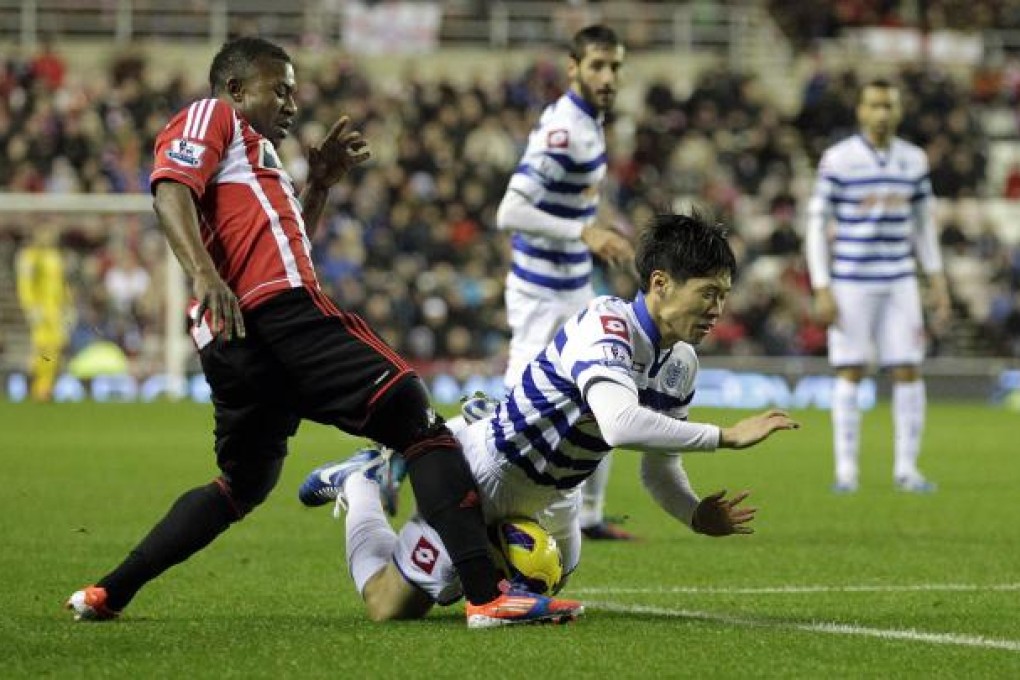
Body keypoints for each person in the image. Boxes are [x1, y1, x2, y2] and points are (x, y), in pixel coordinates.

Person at [65, 36, 581, 628]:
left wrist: (322, 184)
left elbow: (289, 244)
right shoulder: (215, 116)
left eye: (293, 91)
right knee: (419, 420)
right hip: (275, 312)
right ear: (236, 89)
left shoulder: (262, 162)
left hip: (233, 343)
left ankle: (108, 592)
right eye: (278, 88)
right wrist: (204, 276)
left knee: (241, 485)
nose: (289, 102)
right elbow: (169, 189)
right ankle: (488, 596)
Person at [298, 210, 799, 624]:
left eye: (724, 296)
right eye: (708, 293)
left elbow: (659, 468)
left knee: (540, 578)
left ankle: (464, 557)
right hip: (492, 470)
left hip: (558, 496)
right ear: (661, 283)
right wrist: (726, 436)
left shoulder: (681, 364)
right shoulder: (606, 325)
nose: (718, 308)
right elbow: (620, 424)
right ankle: (361, 484)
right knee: (392, 607)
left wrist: (693, 512)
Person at [496, 24, 636, 540]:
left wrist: (597, 229)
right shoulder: (565, 131)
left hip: (574, 287)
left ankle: (591, 516)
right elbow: (509, 211)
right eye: (598, 65)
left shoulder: (590, 122)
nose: (608, 76)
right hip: (539, 292)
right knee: (515, 413)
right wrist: (586, 233)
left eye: (615, 66)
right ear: (573, 67)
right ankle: (418, 461)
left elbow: (575, 200)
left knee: (605, 389)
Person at [805, 78, 951, 494]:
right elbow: (816, 224)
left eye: (889, 105)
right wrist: (822, 285)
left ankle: (907, 470)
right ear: (861, 111)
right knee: (850, 371)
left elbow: (924, 225)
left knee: (908, 368)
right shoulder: (838, 159)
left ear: (899, 111)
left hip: (900, 280)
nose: (882, 113)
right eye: (875, 105)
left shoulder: (914, 160)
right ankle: (846, 472)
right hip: (851, 281)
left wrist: (936, 279)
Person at [15, 223, 70, 402]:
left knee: (54, 350)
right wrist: (30, 307)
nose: (49, 237)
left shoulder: (55, 256)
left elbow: (62, 284)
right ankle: (35, 385)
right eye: (45, 233)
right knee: (41, 349)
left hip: (55, 311)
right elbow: (25, 285)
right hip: (41, 311)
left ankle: (45, 388)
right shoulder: (30, 256)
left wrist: (68, 305)